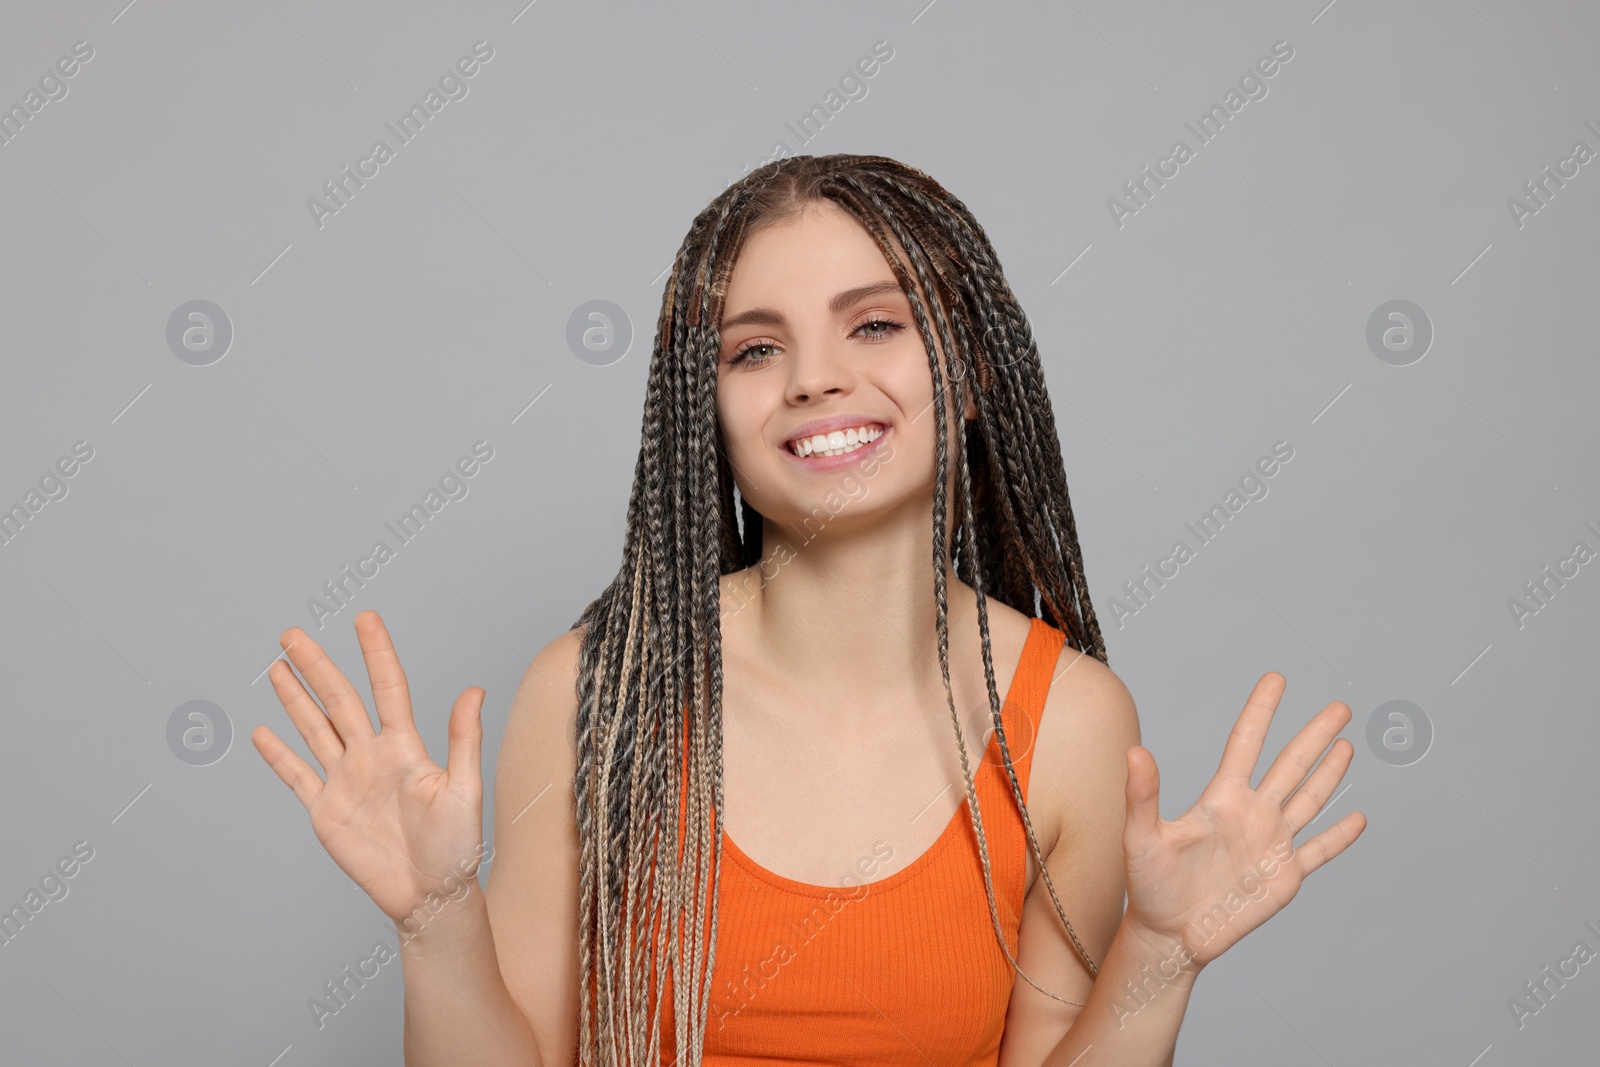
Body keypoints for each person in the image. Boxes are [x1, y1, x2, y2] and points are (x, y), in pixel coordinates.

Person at [252, 154, 1366, 1066]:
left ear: (970, 367)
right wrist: (436, 917)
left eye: (874, 325)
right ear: (709, 412)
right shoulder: (598, 688)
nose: (813, 378)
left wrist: (1160, 951)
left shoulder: (1069, 719)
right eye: (754, 348)